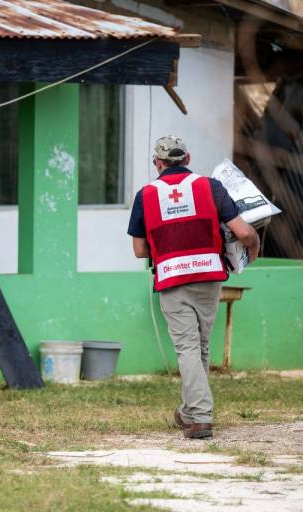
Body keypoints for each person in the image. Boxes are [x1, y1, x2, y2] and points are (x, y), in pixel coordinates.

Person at [127, 135, 260, 439]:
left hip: (173, 278)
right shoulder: (209, 187)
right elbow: (242, 231)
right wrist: (253, 246)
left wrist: (169, 244)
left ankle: (200, 417)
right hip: (208, 277)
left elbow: (139, 249)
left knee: (186, 348)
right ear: (188, 159)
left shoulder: (145, 195)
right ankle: (188, 411)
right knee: (198, 346)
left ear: (157, 164)